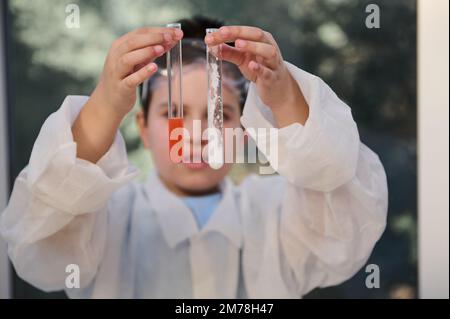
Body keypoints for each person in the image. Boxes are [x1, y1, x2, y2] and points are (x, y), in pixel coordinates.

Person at [0, 16, 388, 298]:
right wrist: (103, 107)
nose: (198, 134)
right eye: (173, 113)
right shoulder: (107, 219)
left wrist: (285, 97)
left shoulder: (276, 215)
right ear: (142, 126)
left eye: (221, 115)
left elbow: (338, 191)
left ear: (245, 128)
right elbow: (42, 231)